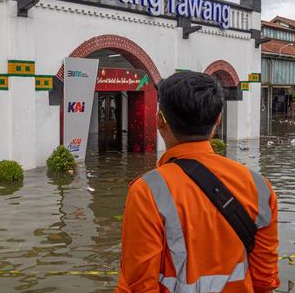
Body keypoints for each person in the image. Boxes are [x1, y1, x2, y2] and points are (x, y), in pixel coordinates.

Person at [115, 71, 280, 293]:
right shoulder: (259, 187)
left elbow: (139, 285)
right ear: (218, 119)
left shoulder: (147, 192)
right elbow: (264, 280)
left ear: (159, 120)